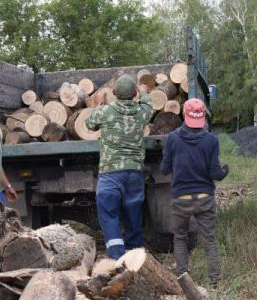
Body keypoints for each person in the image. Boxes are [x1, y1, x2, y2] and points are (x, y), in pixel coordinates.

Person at [159, 98, 229, 284]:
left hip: (180, 198)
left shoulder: (173, 138)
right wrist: (225, 170)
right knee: (209, 240)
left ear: (184, 115)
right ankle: (215, 281)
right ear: (203, 116)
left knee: (180, 238)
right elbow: (215, 173)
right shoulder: (211, 140)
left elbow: (164, 169)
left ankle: (183, 279)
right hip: (204, 198)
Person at [85, 75, 155, 259]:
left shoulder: (106, 111)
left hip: (111, 173)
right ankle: (134, 257)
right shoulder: (142, 112)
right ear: (134, 94)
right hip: (134, 173)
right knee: (133, 216)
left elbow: (89, 124)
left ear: (114, 93)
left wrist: (99, 103)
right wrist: (144, 93)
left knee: (109, 215)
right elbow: (149, 106)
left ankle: (117, 258)